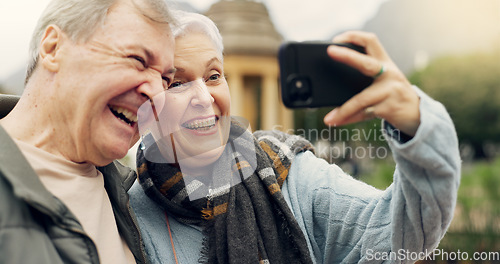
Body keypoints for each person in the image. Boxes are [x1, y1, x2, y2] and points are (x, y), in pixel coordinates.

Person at [129, 10, 461, 264]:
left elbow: (401, 235)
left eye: (214, 75)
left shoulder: (290, 176)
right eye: (177, 83)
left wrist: (416, 124)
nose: (204, 96)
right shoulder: (125, 210)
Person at [0, 0, 177, 263]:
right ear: (53, 48)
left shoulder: (139, 199)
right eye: (138, 60)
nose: (157, 94)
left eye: (166, 80)